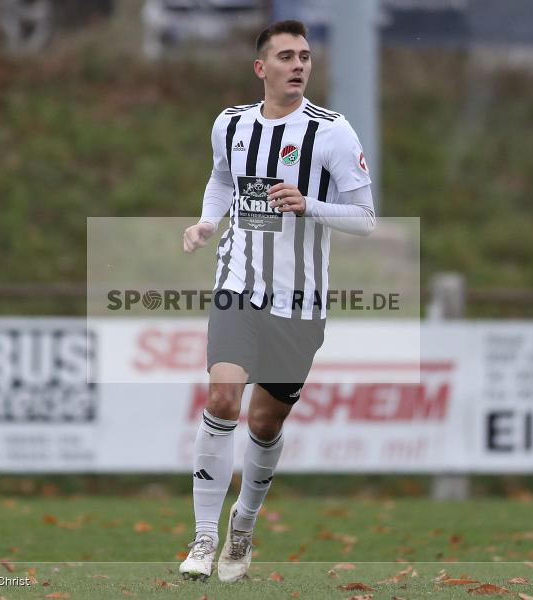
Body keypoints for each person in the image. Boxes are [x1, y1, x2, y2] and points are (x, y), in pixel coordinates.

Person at [179, 19, 376, 583]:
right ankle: (202, 536)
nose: (299, 65)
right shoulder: (231, 124)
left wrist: (309, 204)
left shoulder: (333, 132)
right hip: (238, 285)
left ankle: (244, 524)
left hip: (300, 303)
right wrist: (206, 222)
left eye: (306, 56)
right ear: (261, 68)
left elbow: (365, 218)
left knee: (264, 425)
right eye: (287, 56)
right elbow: (221, 179)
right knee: (222, 400)